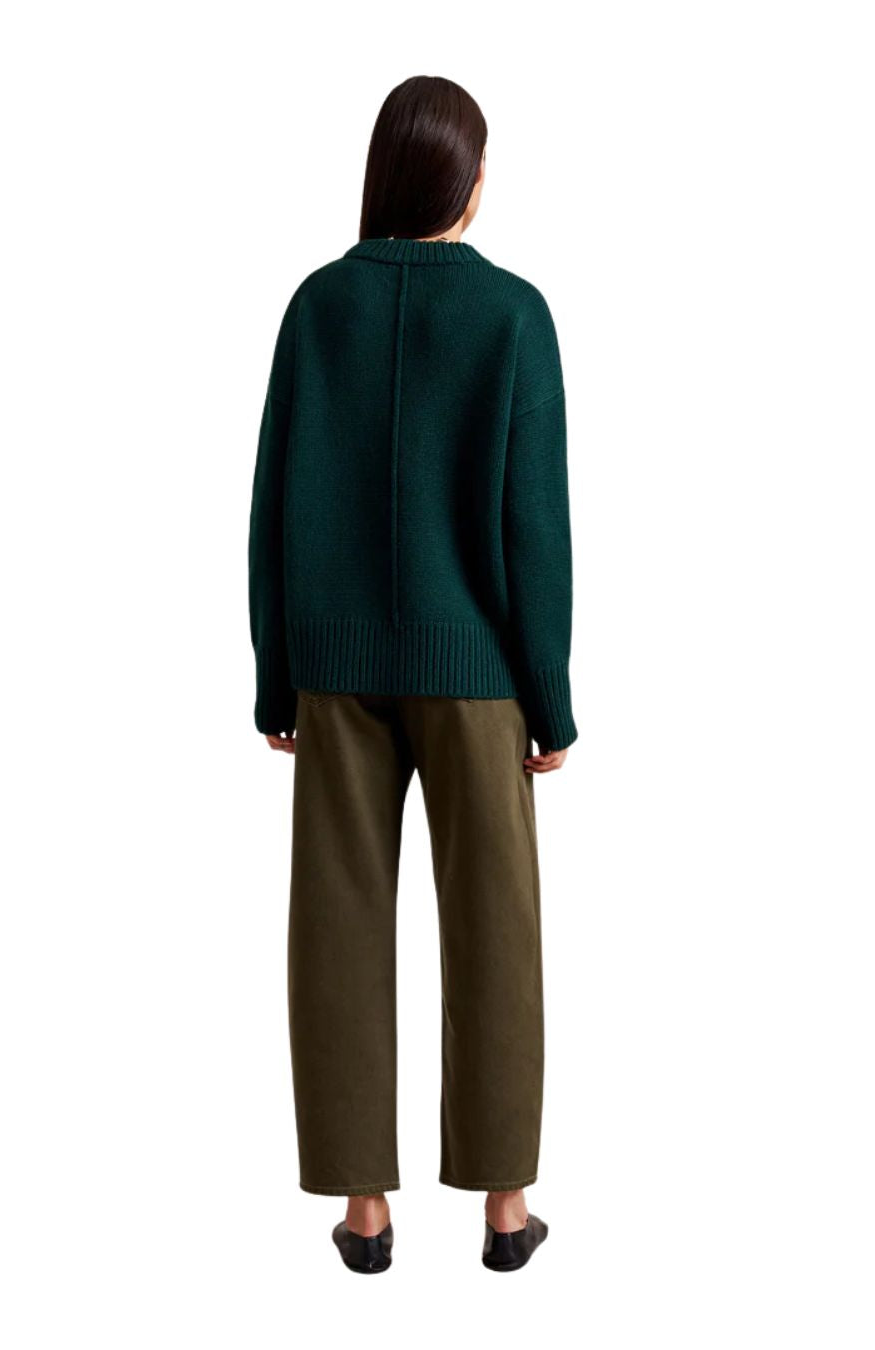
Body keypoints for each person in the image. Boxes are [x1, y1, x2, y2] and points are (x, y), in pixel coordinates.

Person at [248, 74, 577, 1274]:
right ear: (469, 183)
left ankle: (364, 1210)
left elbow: (272, 505)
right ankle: (505, 1208)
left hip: (334, 674)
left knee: (336, 930)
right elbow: (533, 528)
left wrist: (276, 677)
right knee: (497, 935)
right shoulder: (513, 315)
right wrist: (551, 700)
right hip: (479, 676)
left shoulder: (316, 307)